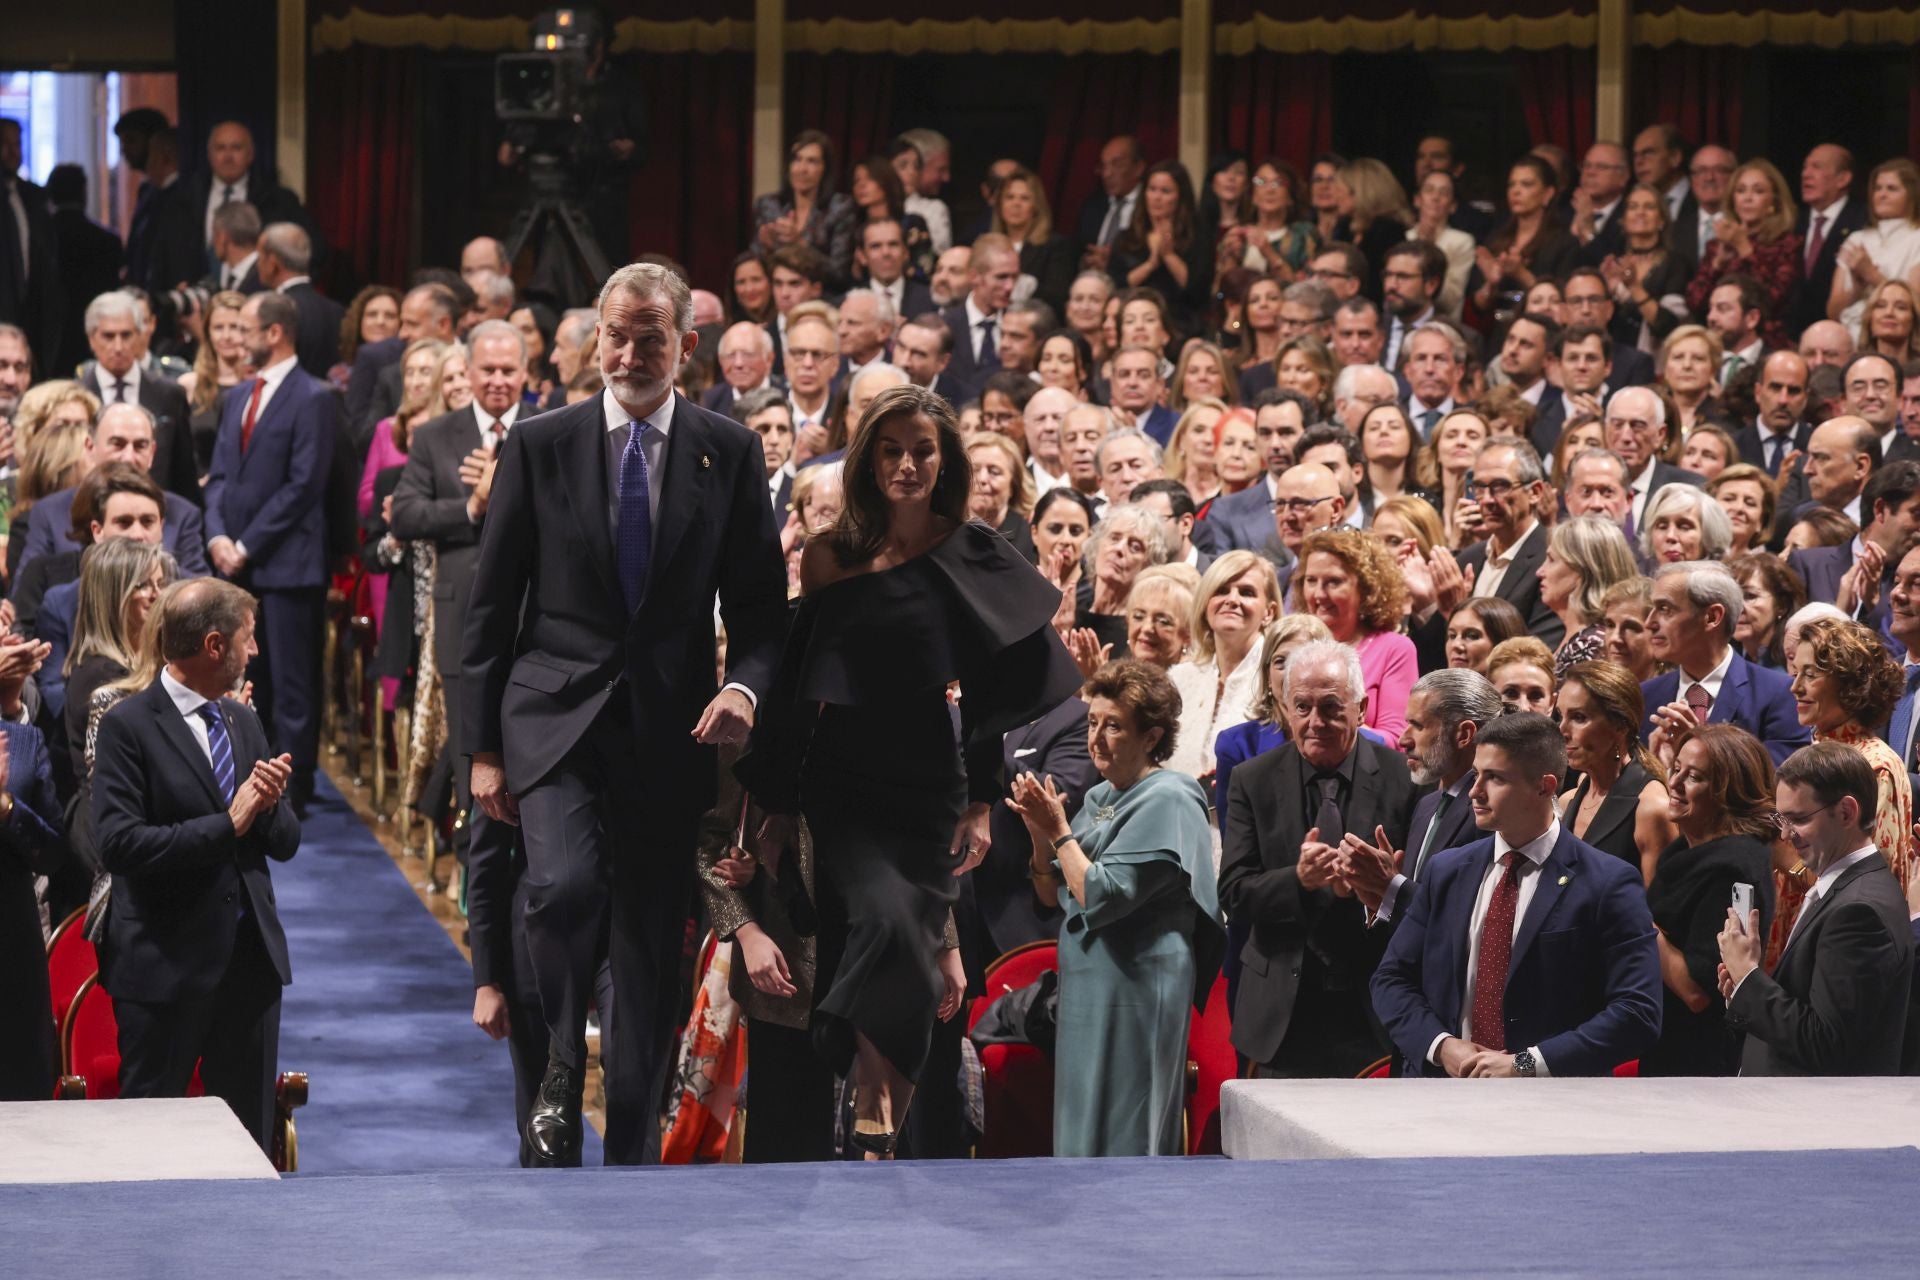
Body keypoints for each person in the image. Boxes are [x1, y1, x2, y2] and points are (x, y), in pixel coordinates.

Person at [461, 263, 787, 1167]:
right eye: (616, 334)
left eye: (650, 337)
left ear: (687, 345)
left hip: (669, 732)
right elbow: (486, 616)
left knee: (645, 952)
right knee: (562, 888)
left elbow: (762, 612)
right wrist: (481, 750)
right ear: (592, 340)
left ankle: (634, 1159)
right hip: (550, 718)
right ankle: (563, 1059)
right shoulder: (540, 444)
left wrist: (743, 689)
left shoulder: (730, 450)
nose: (631, 353)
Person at [741, 383, 1078, 1158]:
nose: (906, 464)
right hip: (842, 780)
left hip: (932, 779)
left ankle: (875, 1125)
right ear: (867, 461)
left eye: (922, 450)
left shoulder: (974, 552)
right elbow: (796, 693)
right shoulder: (832, 558)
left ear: (945, 459)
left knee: (913, 948)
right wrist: (776, 803)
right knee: (887, 925)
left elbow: (996, 698)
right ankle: (869, 1103)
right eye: (890, 450)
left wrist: (985, 801)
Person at [91, 578, 299, 1149]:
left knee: (248, 1142)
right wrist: (227, 824)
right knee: (150, 1143)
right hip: (164, 970)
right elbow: (119, 845)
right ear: (214, 645)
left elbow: (283, 843)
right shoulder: (127, 727)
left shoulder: (242, 720)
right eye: (246, 639)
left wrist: (271, 806)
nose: (253, 651)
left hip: (249, 971)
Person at [1371, 711, 1663, 1077]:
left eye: (1494, 778)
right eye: (1476, 774)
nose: (1475, 791)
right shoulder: (1446, 871)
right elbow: (1390, 979)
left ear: (1545, 786)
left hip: (1551, 1110)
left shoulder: (1608, 883)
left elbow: (1638, 1012)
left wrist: (1524, 1064)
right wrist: (1441, 1046)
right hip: (1440, 1096)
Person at [1008, 659, 1223, 1156]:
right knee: (1081, 1120)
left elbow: (1102, 896)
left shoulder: (1170, 796)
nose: (1097, 738)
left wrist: (1060, 831)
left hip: (1140, 982)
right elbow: (1050, 894)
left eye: (1114, 726)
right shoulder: (1102, 795)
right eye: (1092, 723)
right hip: (1088, 982)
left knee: (1130, 1119)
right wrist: (1041, 837)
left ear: (1151, 737)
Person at [1220, 639, 1417, 1076]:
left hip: (1374, 1012)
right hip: (1279, 1017)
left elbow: (1424, 901)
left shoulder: (1404, 779)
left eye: (1330, 707)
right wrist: (1299, 881)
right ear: (1285, 708)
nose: (1315, 722)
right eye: (1302, 707)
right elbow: (1234, 893)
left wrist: (1383, 887)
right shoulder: (1252, 780)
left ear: (1362, 708)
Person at [203, 290, 336, 814]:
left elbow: (305, 486)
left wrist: (245, 543)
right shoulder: (237, 396)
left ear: (274, 333)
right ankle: (246, 775)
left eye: (245, 328)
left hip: (288, 566)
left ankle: (294, 787)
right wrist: (216, 536)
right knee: (246, 678)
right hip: (235, 566)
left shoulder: (314, 396)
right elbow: (218, 477)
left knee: (293, 683)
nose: (236, 338)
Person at [1719, 742, 1915, 1074]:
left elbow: (1824, 1044)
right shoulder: (1845, 888)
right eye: (1781, 818)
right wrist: (1743, 991)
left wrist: (1748, 978)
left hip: (1811, 1119)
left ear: (1846, 813)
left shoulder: (1859, 912)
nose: (1784, 834)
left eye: (1798, 819)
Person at [1643, 725, 1778, 1075]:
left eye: (1695, 777)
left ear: (1728, 793)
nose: (1674, 784)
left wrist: (1634, 916)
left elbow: (1696, 992)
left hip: (1698, 1061)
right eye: (1677, 770)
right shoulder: (1686, 847)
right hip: (1665, 1040)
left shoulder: (1733, 868)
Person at [1785, 618, 1914, 922]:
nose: (1794, 687)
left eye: (1810, 674)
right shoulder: (1812, 753)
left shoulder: (1875, 767)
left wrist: (1786, 859)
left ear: (1849, 684)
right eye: (1795, 672)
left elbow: (1867, 890)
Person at [15, 400, 210, 577]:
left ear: (152, 453)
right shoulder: (49, 512)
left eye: (140, 446)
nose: (128, 457)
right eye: (118, 444)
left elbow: (200, 590)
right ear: (91, 448)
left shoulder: (183, 514)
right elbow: (27, 590)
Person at [1644, 561, 1809, 766]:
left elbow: (1780, 786)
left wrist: (1699, 753)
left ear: (1712, 617)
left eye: (1665, 609)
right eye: (1653, 608)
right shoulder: (1645, 696)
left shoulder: (1778, 694)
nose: (1649, 623)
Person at [1164, 550, 1279, 784]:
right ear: (1205, 604)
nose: (1232, 599)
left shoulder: (1279, 677)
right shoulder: (1179, 678)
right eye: (1221, 590)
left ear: (1269, 612)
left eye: (1246, 592)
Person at [1556, 660, 1676, 884]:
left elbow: (1657, 913)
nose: (1562, 730)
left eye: (1579, 718)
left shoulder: (1651, 809)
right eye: (1560, 716)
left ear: (1620, 726)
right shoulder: (1567, 801)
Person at [1293, 527, 1417, 740]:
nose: (1319, 594)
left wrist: (1332, 729)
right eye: (1311, 580)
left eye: (1334, 582)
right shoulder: (1293, 645)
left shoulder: (1394, 649)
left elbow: (1397, 739)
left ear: (1366, 588)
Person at [75, 291, 198, 505]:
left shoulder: (169, 394)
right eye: (108, 336)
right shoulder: (74, 399)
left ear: (141, 335)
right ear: (91, 339)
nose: (119, 346)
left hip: (160, 520)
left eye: (126, 335)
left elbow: (184, 478)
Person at [1683, 160, 1803, 349]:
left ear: (1774, 201)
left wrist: (1745, 249)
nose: (1748, 198)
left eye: (1758, 191)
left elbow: (1771, 300)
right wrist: (1718, 264)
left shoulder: (1787, 245)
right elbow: (1695, 303)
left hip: (1768, 346)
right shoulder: (1716, 246)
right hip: (1718, 344)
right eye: (1741, 191)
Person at [1455, 435, 1560, 648]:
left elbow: (1537, 651)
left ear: (1535, 492)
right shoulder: (1467, 560)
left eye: (1500, 486)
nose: (1487, 499)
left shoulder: (1552, 561)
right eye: (1479, 488)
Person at [1111, 164, 1214, 340]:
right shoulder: (1127, 238)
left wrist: (1168, 255)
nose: (1157, 197)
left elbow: (1198, 291)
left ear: (1180, 197)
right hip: (1134, 325)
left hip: (1183, 326)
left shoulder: (1197, 237)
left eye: (1165, 191)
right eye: (1152, 189)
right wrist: (1151, 264)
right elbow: (1118, 286)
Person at [753, 130, 858, 292]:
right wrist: (765, 249)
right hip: (777, 297)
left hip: (823, 297)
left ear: (825, 169)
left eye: (812, 161)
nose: (802, 168)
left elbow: (839, 273)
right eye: (797, 159)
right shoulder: (769, 205)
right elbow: (754, 268)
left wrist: (800, 243)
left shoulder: (840, 207)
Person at [1825, 158, 1920, 333]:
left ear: (1912, 195)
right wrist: (1856, 288)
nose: (1882, 195)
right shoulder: (1856, 239)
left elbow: (1916, 306)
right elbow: (1833, 313)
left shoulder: (1916, 239)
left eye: (1892, 189)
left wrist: (1872, 276)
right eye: (1878, 188)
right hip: (1852, 334)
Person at [1538, 515, 1639, 677]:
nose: (1540, 572)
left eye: (1551, 560)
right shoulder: (1580, 637)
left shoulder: (1591, 644)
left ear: (1582, 570)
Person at [1729, 552, 1805, 670]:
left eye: (1750, 596)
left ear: (1781, 605)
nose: (1736, 606)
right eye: (1730, 595)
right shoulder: (1726, 661)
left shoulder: (1795, 668)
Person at [1640, 484, 1734, 569]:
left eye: (1684, 527)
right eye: (1662, 527)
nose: (1670, 536)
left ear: (1709, 537)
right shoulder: (1643, 587)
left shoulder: (1720, 588)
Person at [1708, 463, 1780, 556]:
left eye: (1750, 503)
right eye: (1729, 499)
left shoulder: (1768, 569)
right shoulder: (1688, 556)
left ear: (1762, 521)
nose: (1739, 508)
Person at [1445, 597, 1527, 675]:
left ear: (1503, 645)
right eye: (1452, 636)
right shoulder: (1434, 688)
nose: (1455, 645)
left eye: (1472, 636)